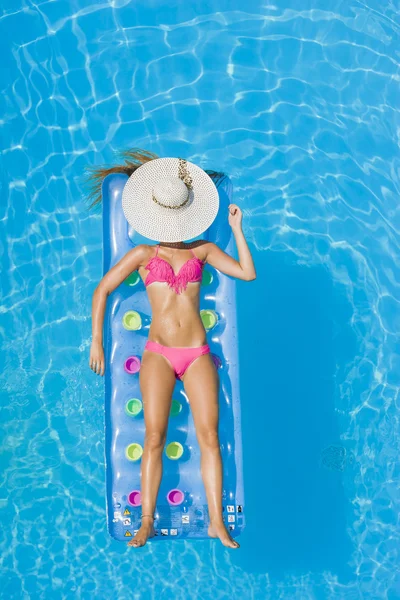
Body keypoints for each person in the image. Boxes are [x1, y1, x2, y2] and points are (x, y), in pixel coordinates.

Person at [86, 150, 256, 549]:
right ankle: (146, 521)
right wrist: (97, 338)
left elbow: (247, 273)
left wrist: (238, 228)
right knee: (154, 437)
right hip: (159, 353)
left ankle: (216, 521)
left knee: (210, 437)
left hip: (197, 353)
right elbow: (103, 288)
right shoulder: (144, 255)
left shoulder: (202, 251)